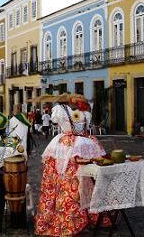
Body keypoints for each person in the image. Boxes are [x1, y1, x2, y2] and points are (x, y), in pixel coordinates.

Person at [34, 94, 106, 236]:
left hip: (66, 147)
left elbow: (56, 122)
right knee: (83, 181)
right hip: (84, 146)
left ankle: (67, 217)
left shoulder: (61, 111)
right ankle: (82, 216)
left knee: (64, 181)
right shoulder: (82, 112)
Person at [0, 112, 25, 233]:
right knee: (16, 195)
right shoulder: (5, 139)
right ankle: (17, 222)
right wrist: (17, 141)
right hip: (8, 170)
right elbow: (19, 149)